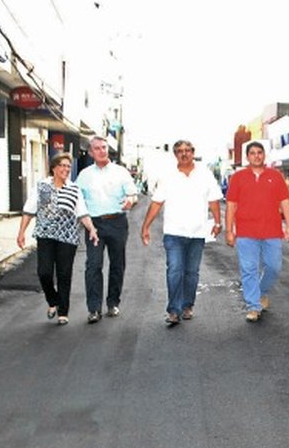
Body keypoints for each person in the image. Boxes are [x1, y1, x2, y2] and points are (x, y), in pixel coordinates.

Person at [140, 140, 222, 325]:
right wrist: (145, 226)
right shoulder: (168, 176)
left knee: (191, 272)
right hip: (174, 232)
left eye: (187, 151)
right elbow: (157, 203)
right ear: (175, 155)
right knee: (175, 270)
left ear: (193, 152)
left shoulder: (205, 174)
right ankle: (174, 311)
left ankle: (187, 305)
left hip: (198, 232)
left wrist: (218, 222)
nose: (184, 154)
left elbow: (214, 199)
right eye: (179, 151)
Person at [16, 152, 99, 326]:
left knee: (64, 274)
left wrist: (91, 229)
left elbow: (82, 213)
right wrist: (21, 232)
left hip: (67, 237)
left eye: (68, 166)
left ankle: (63, 312)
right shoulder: (41, 186)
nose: (66, 169)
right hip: (45, 235)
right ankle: (53, 300)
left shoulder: (73, 189)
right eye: (62, 165)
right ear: (54, 168)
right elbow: (29, 210)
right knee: (44, 272)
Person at [225, 141, 289, 322]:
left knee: (274, 267)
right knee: (249, 270)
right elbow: (231, 205)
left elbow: (285, 202)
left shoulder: (275, 176)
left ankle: (261, 293)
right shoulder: (238, 178)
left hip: (271, 232)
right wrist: (229, 231)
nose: (257, 156)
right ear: (248, 157)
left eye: (260, 153)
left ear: (264, 155)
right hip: (246, 232)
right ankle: (253, 306)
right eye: (253, 153)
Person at [76, 135, 138, 324]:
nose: (102, 151)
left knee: (117, 264)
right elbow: (77, 200)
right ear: (91, 152)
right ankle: (94, 308)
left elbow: (133, 194)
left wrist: (130, 201)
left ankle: (113, 302)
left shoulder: (121, 172)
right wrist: (85, 222)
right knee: (93, 265)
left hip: (117, 222)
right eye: (97, 148)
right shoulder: (84, 175)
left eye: (104, 147)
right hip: (94, 225)